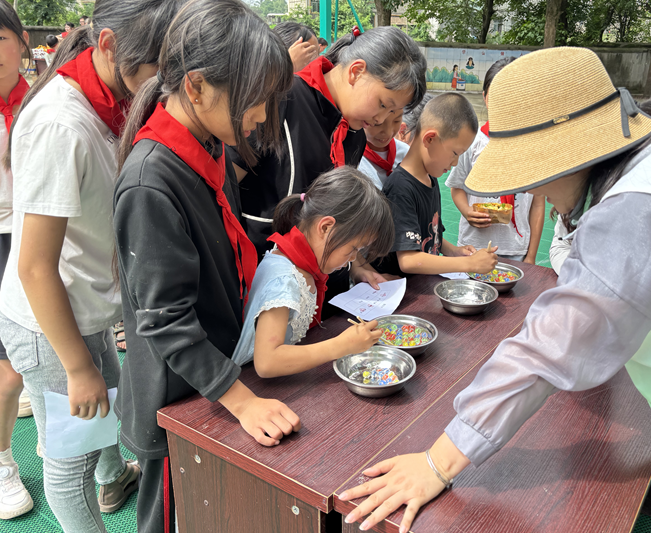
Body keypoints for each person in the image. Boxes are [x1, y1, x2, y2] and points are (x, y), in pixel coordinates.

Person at [340, 47, 651, 533]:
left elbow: (549, 347)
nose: (536, 192)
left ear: (563, 159)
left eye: (534, 178)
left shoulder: (639, 209)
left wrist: (436, 463)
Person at [114, 1, 301, 531]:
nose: (262, 116)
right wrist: (241, 402)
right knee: (173, 517)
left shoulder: (209, 146)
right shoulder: (151, 182)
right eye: (256, 99)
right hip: (179, 397)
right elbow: (166, 321)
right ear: (196, 86)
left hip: (215, 373)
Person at [0, 1, 185, 531]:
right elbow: (36, 266)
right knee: (69, 463)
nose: (162, 85)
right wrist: (76, 368)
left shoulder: (105, 101)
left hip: (83, 306)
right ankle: (98, 478)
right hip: (49, 322)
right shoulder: (60, 124)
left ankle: (113, 475)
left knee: (105, 401)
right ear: (107, 45)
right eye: (156, 69)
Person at [230, 26, 426, 317]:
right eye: (384, 105)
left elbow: (340, 213)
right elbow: (225, 186)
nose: (381, 119)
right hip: (266, 291)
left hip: (322, 294)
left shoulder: (355, 134)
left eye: (393, 113)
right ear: (356, 72)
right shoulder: (283, 99)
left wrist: (357, 265)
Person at [232, 167, 394, 375]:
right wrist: (341, 346)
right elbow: (266, 363)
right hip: (252, 383)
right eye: (353, 248)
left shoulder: (303, 264)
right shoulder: (284, 280)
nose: (353, 259)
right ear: (325, 227)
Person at [379, 93, 499, 277]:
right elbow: (409, 260)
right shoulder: (400, 187)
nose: (455, 163)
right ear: (430, 139)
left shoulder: (430, 178)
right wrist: (469, 264)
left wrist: (455, 252)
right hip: (403, 289)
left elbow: (433, 236)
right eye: (454, 153)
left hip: (424, 285)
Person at [447, 57, 546, 264]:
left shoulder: (533, 146)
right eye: (497, 97)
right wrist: (467, 211)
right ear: (485, 97)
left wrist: (531, 256)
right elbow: (457, 187)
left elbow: (537, 203)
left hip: (517, 250)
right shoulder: (473, 141)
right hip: (474, 247)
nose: (504, 104)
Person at [0, 2, 31, 521]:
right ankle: (3, 461)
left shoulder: (43, 100)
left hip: (35, 236)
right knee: (7, 371)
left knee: (33, 361)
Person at [359, 111, 409, 189]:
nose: (388, 132)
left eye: (396, 121)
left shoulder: (407, 154)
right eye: (378, 123)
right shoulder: (352, 158)